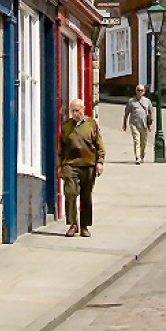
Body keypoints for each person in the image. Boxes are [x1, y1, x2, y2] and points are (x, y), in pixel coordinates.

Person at [58, 98, 105, 237]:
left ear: (83, 110)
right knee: (70, 194)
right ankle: (73, 224)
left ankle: (84, 226)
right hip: (70, 165)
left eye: (77, 110)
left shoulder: (91, 124)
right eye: (72, 111)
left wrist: (100, 162)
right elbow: (61, 147)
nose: (75, 113)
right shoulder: (66, 126)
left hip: (88, 165)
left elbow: (99, 145)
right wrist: (60, 165)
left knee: (86, 196)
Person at [123, 83, 154, 164]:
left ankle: (142, 155)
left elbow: (151, 112)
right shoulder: (131, 101)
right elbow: (126, 113)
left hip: (144, 125)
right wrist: (124, 124)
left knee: (143, 142)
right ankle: (138, 157)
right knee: (137, 140)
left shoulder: (147, 101)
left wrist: (150, 124)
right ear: (136, 91)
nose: (140, 92)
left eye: (141, 90)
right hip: (134, 124)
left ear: (144, 92)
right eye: (138, 90)